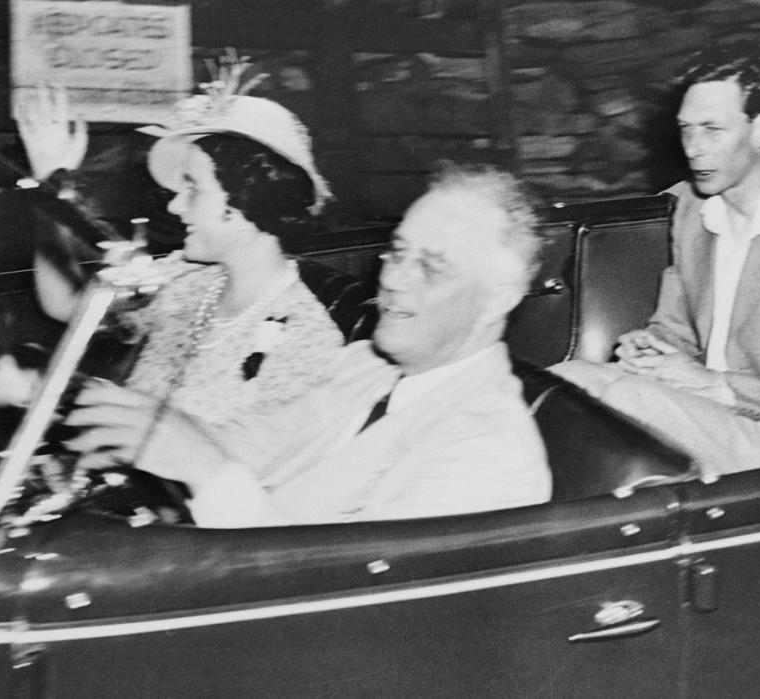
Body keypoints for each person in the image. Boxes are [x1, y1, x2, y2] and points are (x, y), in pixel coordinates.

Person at [63, 164, 553, 527]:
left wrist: (204, 469)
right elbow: (251, 441)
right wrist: (139, 428)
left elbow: (337, 596)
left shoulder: (487, 449)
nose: (396, 279)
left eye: (432, 266)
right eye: (398, 252)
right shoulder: (368, 365)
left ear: (497, 301)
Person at [552, 43, 760, 477]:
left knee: (616, 409)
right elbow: (676, 330)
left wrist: (713, 385)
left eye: (712, 129)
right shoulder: (693, 208)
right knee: (565, 382)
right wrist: (650, 349)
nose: (694, 148)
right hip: (714, 413)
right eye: (686, 129)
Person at [0, 56, 351, 427]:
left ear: (248, 206)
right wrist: (50, 189)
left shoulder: (307, 342)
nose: (174, 204)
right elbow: (67, 306)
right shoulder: (183, 279)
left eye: (193, 189)